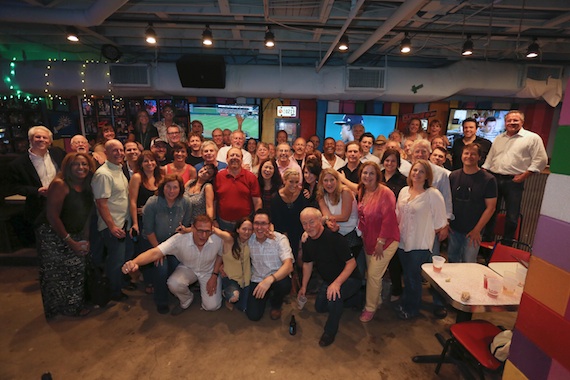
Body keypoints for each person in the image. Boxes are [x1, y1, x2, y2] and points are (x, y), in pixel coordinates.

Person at [122, 214, 223, 315]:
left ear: (212, 229)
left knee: (212, 306)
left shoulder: (218, 239)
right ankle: (186, 300)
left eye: (207, 231)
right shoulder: (180, 239)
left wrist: (214, 275)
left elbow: (220, 255)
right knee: (173, 283)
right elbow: (155, 252)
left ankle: (207, 288)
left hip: (208, 271)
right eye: (200, 231)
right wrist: (134, 262)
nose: (204, 236)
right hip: (188, 268)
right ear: (192, 228)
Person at [36, 152, 96, 319]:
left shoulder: (88, 184)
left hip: (76, 231)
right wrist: (69, 241)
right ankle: (63, 309)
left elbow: (87, 214)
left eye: (84, 164)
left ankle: (74, 305)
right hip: (51, 234)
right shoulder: (60, 184)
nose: (81, 167)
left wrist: (85, 239)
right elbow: (52, 216)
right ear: (68, 167)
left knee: (77, 269)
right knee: (56, 274)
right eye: (76, 164)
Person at [298, 207, 361, 347]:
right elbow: (307, 264)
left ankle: (330, 332)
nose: (308, 227)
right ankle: (356, 299)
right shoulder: (307, 241)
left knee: (334, 298)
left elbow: (352, 264)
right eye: (304, 223)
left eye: (311, 222)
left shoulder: (335, 238)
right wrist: (303, 287)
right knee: (320, 308)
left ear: (320, 221)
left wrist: (337, 283)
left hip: (350, 278)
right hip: (329, 281)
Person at [482, 110, 548, 241]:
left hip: (514, 181)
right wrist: (484, 173)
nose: (512, 123)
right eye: (509, 120)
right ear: (505, 122)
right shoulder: (499, 138)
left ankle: (506, 247)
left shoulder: (532, 138)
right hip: (494, 178)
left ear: (522, 122)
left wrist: (525, 175)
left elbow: (541, 160)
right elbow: (490, 159)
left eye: (515, 120)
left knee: (512, 216)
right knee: (490, 212)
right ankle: (486, 246)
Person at [395, 160, 448, 320]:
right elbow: (398, 215)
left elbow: (440, 222)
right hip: (402, 242)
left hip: (419, 243)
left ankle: (412, 309)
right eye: (415, 170)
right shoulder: (404, 191)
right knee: (408, 276)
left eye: (421, 172)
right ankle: (407, 302)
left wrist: (425, 230)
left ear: (427, 176)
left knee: (413, 278)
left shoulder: (433, 194)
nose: (417, 174)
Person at [141, 174, 193, 313]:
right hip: (155, 243)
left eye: (175, 187)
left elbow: (186, 224)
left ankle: (171, 292)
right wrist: (158, 251)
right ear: (162, 188)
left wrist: (185, 230)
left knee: (176, 267)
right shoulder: (152, 203)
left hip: (175, 244)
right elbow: (148, 230)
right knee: (161, 268)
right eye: (168, 187)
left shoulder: (186, 202)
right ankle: (161, 300)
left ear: (180, 188)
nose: (171, 191)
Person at [356, 162, 400, 323]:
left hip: (386, 240)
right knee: (374, 274)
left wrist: (380, 242)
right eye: (365, 173)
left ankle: (370, 308)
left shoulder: (385, 193)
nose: (367, 176)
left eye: (371, 173)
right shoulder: (362, 190)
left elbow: (389, 219)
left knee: (374, 275)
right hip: (369, 239)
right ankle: (378, 300)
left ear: (377, 176)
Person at [9, 125, 66, 244]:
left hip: (62, 203)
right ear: (30, 140)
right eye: (37, 137)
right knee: (45, 241)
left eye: (45, 137)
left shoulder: (58, 153)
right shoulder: (18, 164)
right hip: (39, 207)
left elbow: (70, 168)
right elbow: (14, 187)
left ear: (50, 141)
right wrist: (37, 191)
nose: (41, 140)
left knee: (64, 238)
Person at [91, 139, 130, 302]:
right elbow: (101, 203)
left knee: (122, 257)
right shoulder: (103, 174)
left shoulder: (118, 169)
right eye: (115, 150)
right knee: (115, 260)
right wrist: (112, 226)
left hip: (122, 222)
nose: (119, 153)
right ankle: (114, 291)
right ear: (106, 153)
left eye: (121, 150)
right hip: (113, 226)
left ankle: (120, 283)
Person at [448, 143, 497, 263]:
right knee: (452, 261)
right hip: (454, 229)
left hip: (473, 231)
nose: (469, 156)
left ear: (479, 157)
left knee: (468, 264)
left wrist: (477, 230)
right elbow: (447, 202)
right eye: (466, 153)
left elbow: (491, 208)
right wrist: (446, 222)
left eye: (473, 154)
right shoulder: (453, 176)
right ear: (461, 155)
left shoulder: (488, 179)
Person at [246, 210, 294, 321]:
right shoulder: (249, 238)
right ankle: (266, 295)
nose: (259, 227)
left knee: (284, 285)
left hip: (276, 278)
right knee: (253, 316)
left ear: (270, 225)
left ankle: (276, 304)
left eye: (263, 223)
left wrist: (270, 279)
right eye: (256, 223)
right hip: (257, 278)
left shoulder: (279, 239)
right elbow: (231, 239)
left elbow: (289, 266)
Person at [128, 150, 163, 294]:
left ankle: (158, 279)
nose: (149, 164)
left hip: (159, 221)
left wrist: (149, 209)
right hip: (143, 222)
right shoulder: (137, 178)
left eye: (152, 160)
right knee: (146, 251)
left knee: (158, 250)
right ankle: (149, 281)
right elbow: (132, 201)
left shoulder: (161, 178)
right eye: (145, 161)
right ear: (141, 164)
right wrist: (135, 223)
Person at [317, 168, 362, 262]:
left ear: (337, 181)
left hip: (351, 234)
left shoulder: (345, 192)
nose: (329, 184)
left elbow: (344, 217)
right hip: (335, 232)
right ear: (321, 182)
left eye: (332, 180)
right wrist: (329, 222)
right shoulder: (321, 195)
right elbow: (327, 215)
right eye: (325, 180)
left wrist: (325, 219)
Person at [381, 149, 407, 303]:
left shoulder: (403, 180)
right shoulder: (377, 176)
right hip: (377, 221)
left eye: (393, 161)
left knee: (394, 259)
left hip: (394, 222)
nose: (389, 164)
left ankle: (397, 289)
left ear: (398, 163)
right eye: (387, 160)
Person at [215, 147, 262, 231]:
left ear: (242, 159)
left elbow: (257, 201)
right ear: (226, 159)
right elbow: (214, 200)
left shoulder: (251, 177)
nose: (234, 157)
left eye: (237, 155)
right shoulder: (219, 176)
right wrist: (213, 219)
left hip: (245, 224)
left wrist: (257, 220)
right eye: (232, 155)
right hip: (223, 223)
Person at [215, 218, 253, 311]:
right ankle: (226, 294)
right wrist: (188, 230)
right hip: (230, 278)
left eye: (250, 229)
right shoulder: (229, 239)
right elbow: (211, 229)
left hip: (246, 280)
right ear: (237, 229)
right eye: (244, 229)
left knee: (243, 308)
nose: (247, 232)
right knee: (234, 297)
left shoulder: (252, 240)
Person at [271, 168, 308, 265]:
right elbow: (277, 223)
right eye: (291, 181)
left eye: (297, 182)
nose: (294, 185)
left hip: (301, 235)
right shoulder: (276, 198)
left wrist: (301, 246)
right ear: (284, 180)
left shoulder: (303, 195)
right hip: (283, 236)